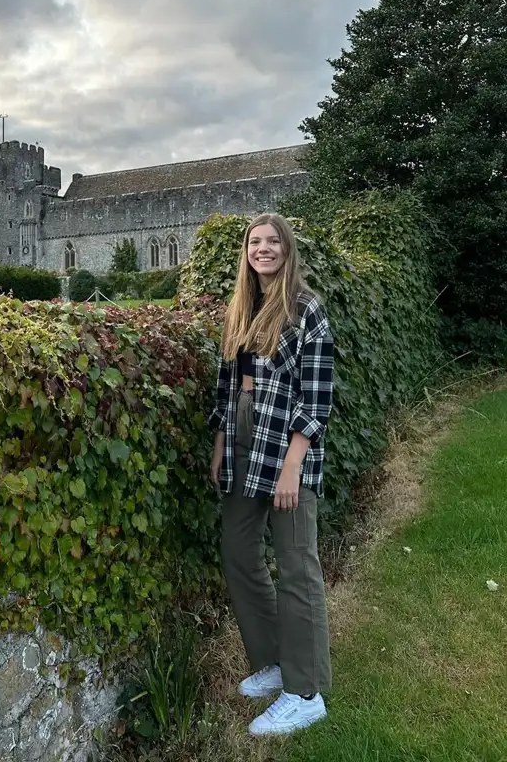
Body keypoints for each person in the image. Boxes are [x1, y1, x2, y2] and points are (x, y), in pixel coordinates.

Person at [208, 212, 334, 737]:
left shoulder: (307, 310)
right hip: (242, 447)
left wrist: (292, 467)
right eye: (255, 242)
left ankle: (305, 693)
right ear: (246, 251)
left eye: (273, 241)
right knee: (238, 551)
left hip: (286, 451)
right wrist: (219, 442)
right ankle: (274, 662)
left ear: (287, 249)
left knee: (296, 567)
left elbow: (317, 396)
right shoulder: (241, 307)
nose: (264, 249)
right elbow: (225, 383)